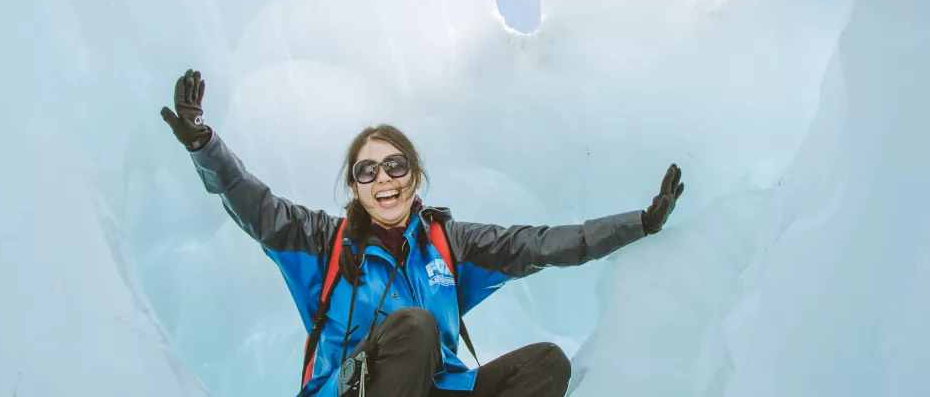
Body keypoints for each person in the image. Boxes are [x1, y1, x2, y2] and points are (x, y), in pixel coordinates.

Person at [160, 70, 685, 397]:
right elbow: (254, 204)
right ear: (354, 186)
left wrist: (639, 223)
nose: (382, 179)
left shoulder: (447, 246)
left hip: (436, 389)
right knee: (416, 328)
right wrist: (204, 144)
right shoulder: (323, 241)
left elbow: (540, 243)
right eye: (368, 171)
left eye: (394, 166)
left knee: (546, 365)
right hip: (354, 392)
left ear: (414, 176)